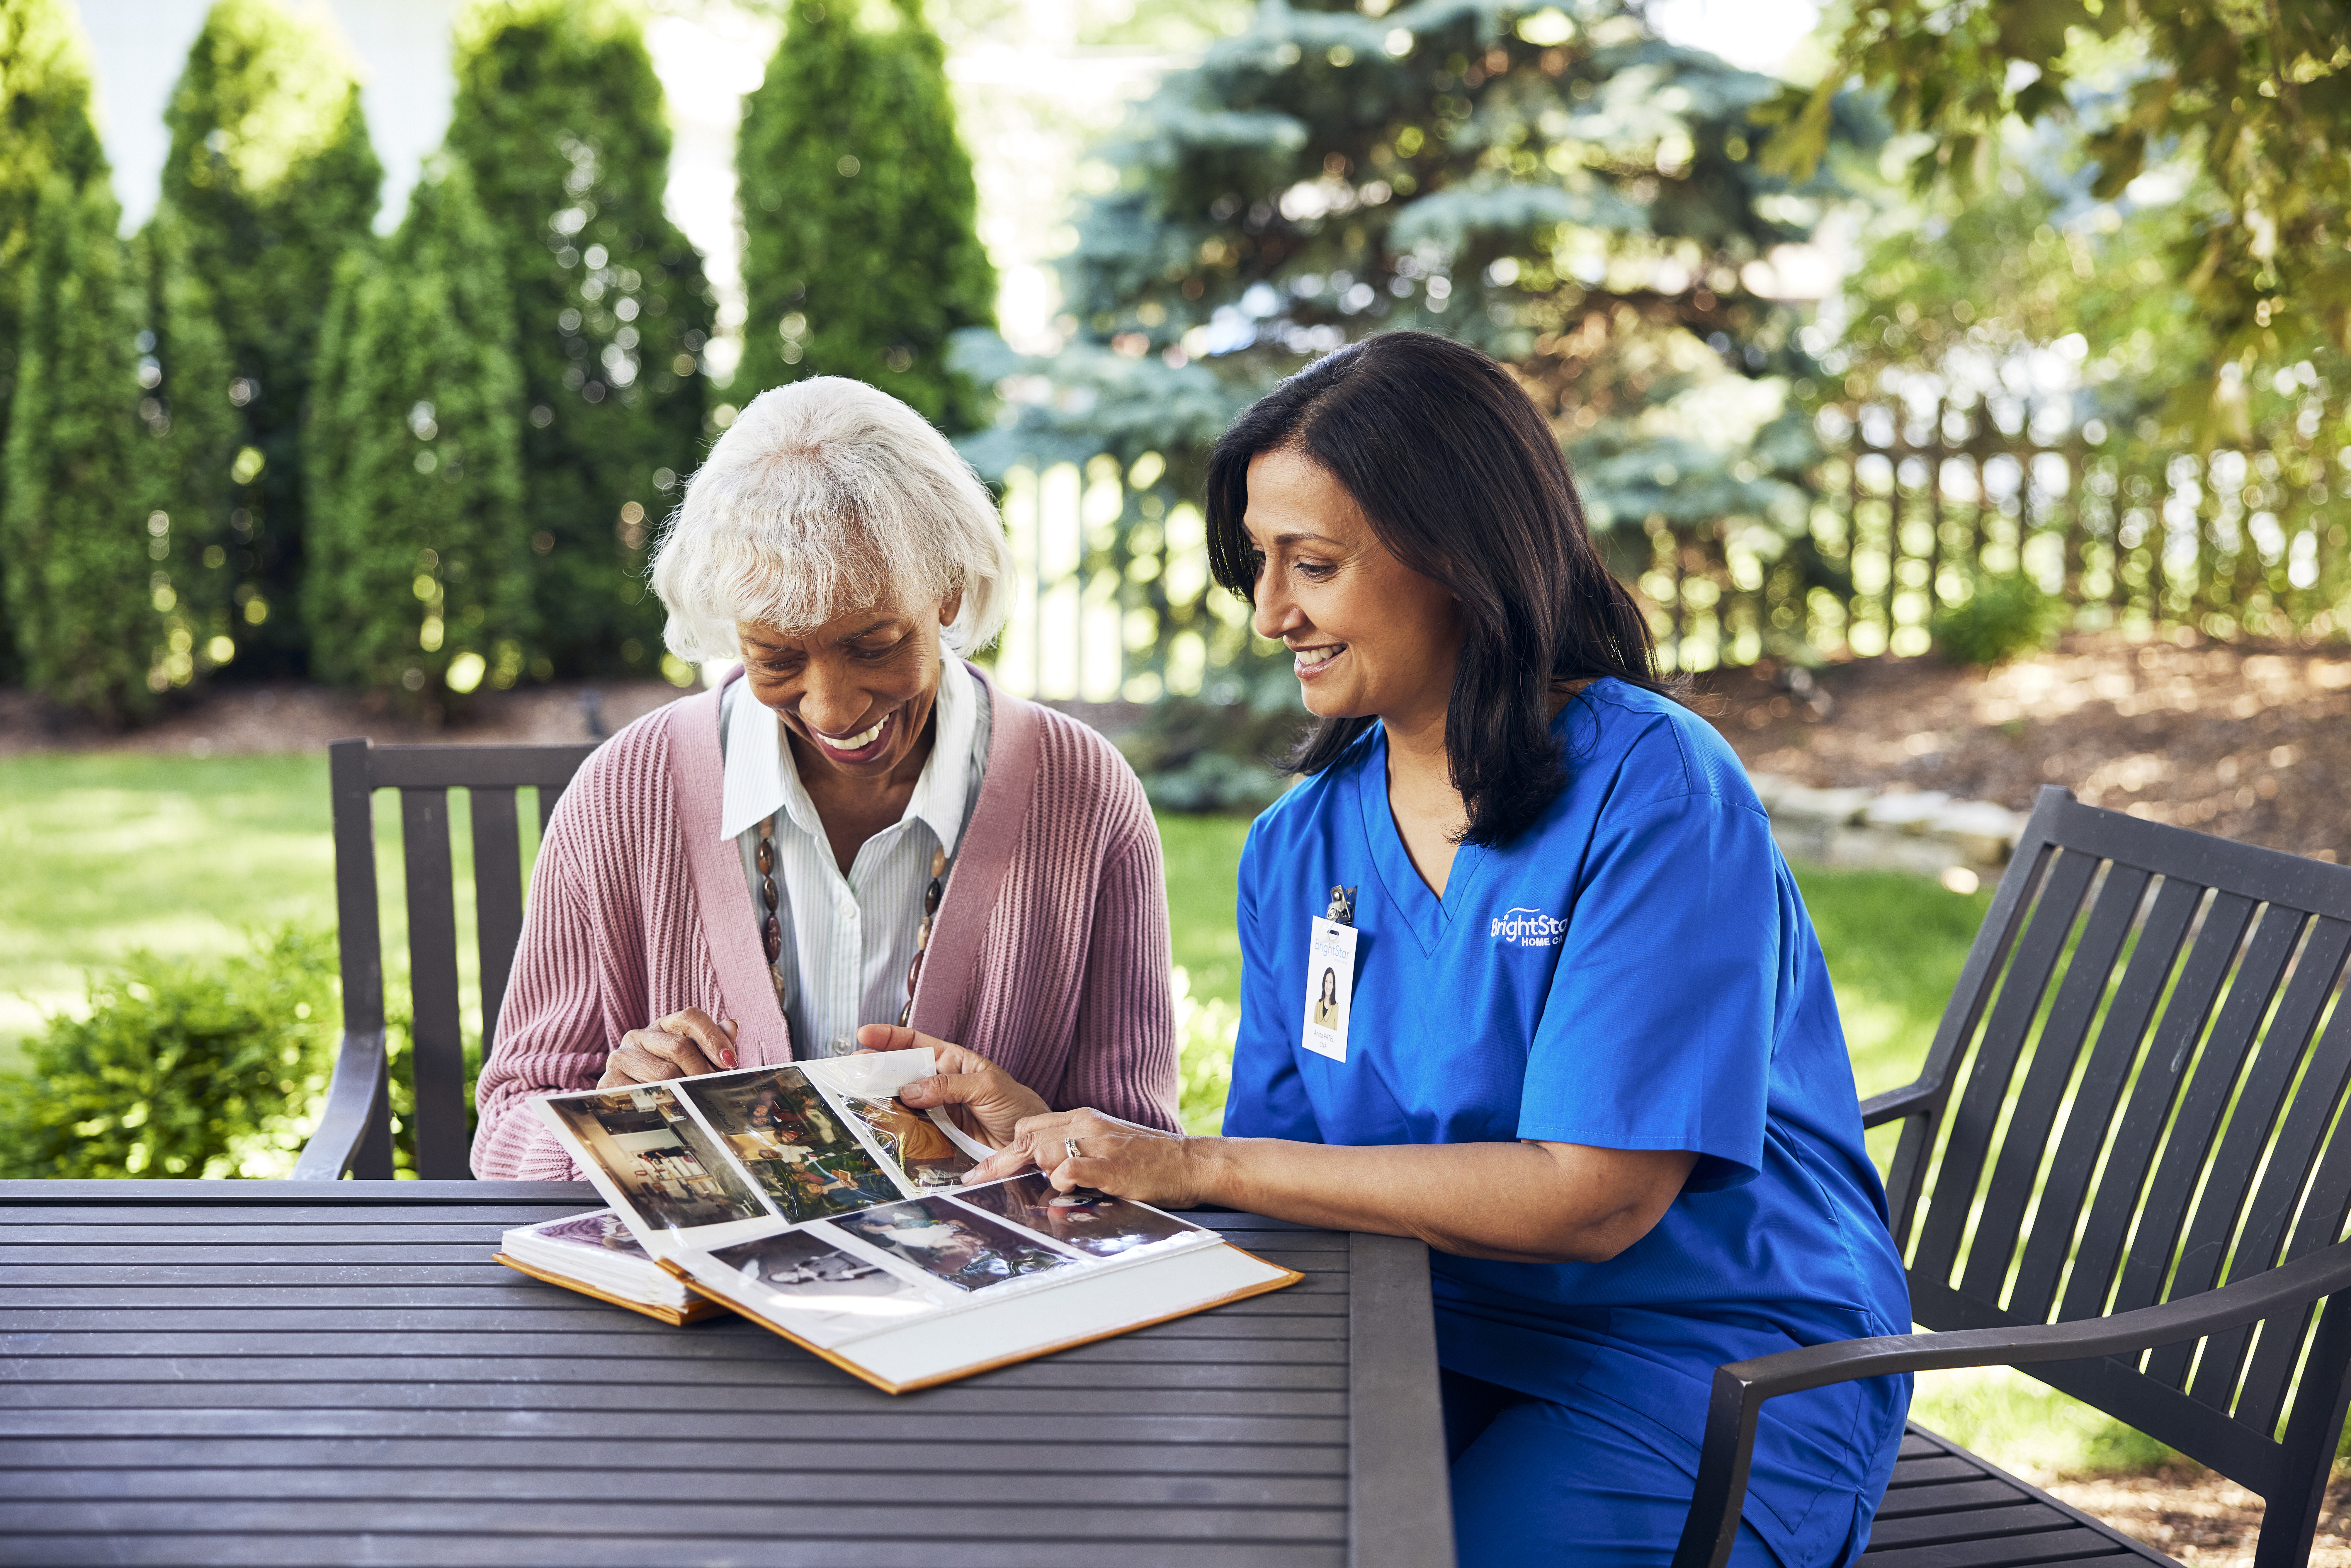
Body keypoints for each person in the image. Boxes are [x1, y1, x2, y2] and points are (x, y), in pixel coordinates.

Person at [876, 333, 1913, 1566]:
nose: (1271, 612)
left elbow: (1597, 1197)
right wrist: (1058, 1149)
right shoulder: (1299, 844)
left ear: (1459, 555)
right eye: (1260, 563)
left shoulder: (1655, 790)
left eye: (1311, 564)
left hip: (1702, 1363)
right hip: (1410, 1330)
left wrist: (1196, 1163)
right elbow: (1282, 1176)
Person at [470, 377, 1181, 1178]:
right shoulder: (622, 795)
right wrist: (608, 1126)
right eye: (776, 659)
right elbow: (508, 1128)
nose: (834, 710)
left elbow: (1140, 1143)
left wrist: (1038, 1139)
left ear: (948, 590)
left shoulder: (1086, 795)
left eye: (875, 646)